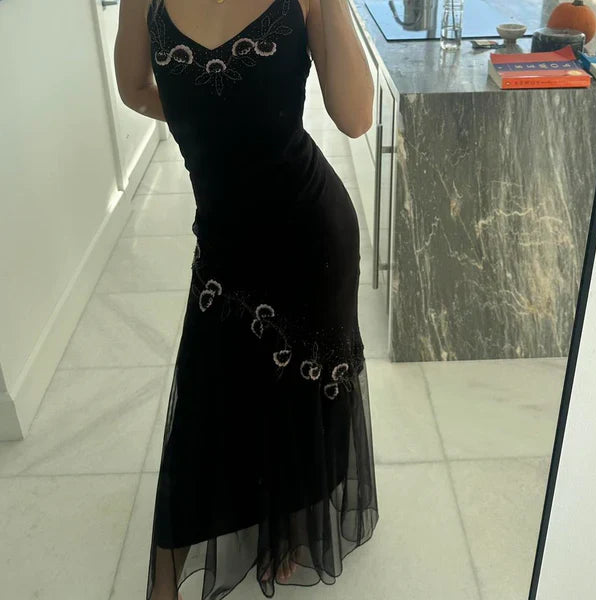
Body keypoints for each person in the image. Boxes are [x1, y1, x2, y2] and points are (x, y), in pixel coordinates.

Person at [115, 1, 379, 598]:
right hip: (224, 245)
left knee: (298, 393)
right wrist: (215, 114)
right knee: (207, 397)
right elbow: (134, 89)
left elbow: (356, 117)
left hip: (310, 237)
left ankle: (287, 524)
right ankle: (167, 576)